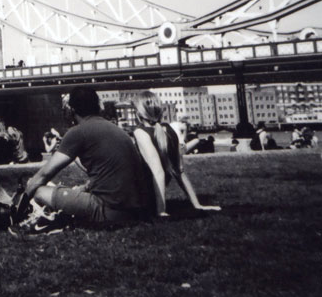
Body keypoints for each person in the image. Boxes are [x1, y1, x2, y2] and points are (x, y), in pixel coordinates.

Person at [22, 87, 152, 224]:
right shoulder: (117, 130)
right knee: (77, 190)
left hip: (108, 211)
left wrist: (19, 204)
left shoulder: (78, 132)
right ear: (97, 106)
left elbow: (44, 174)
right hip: (135, 211)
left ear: (72, 110)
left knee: (39, 191)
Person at [132, 101, 221, 216]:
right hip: (151, 196)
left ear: (139, 114)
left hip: (141, 198)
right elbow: (179, 170)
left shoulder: (140, 132)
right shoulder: (168, 129)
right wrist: (197, 205)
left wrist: (161, 211)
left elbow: (158, 172)